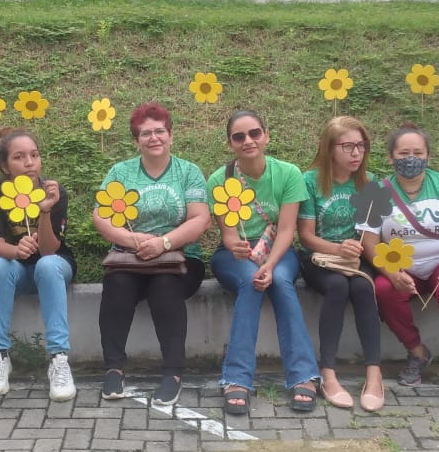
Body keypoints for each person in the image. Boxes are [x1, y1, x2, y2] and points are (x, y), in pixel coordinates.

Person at [95, 104, 211, 406]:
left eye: (160, 131)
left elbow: (200, 219)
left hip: (180, 259)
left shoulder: (188, 172)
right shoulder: (120, 172)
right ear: (136, 141)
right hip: (129, 258)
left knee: (164, 288)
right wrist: (132, 240)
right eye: (145, 133)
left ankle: (173, 373)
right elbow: (100, 216)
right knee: (117, 286)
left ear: (171, 135)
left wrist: (164, 243)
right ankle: (114, 369)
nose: (154, 138)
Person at [208, 110, 320, 415]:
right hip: (235, 256)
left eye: (255, 133)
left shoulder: (288, 174)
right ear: (230, 143)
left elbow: (286, 230)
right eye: (239, 137)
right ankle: (236, 378)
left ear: (266, 136)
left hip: (278, 252)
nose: (248, 141)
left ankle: (304, 375)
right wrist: (236, 247)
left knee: (280, 281)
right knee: (251, 281)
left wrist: (269, 265)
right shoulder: (220, 180)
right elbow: (228, 235)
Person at [360, 124, 439, 403]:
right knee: (383, 290)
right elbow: (369, 242)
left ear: (428, 156)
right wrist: (391, 273)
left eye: (418, 152)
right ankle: (417, 352)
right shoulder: (377, 192)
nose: (411, 158)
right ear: (390, 157)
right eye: (404, 153)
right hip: (401, 265)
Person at [297, 116, 386, 411]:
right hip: (320, 258)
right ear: (329, 148)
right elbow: (306, 236)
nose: (356, 153)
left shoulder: (370, 183)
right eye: (348, 146)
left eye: (361, 145)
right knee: (337, 286)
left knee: (362, 288)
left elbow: (370, 236)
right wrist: (337, 247)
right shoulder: (310, 181)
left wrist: (359, 253)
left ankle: (374, 374)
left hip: (354, 260)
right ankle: (328, 372)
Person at [0, 128, 77, 401]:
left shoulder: (54, 192)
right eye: (19, 157)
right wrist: (17, 250)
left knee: (46, 265)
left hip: (54, 266)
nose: (29, 163)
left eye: (34, 155)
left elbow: (49, 250)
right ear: (5, 166)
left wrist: (45, 210)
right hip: (16, 267)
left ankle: (58, 358)